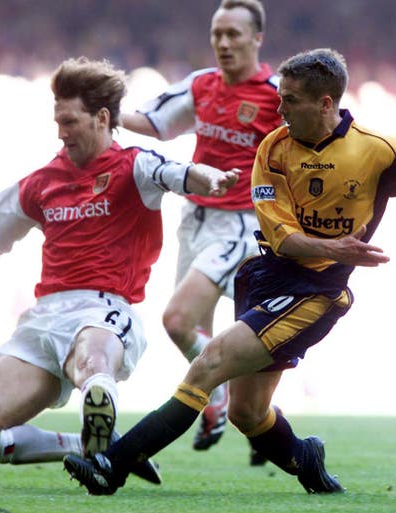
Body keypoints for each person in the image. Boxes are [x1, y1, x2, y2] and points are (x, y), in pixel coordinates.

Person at [62, 47, 396, 495]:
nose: (279, 107)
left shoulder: (378, 152)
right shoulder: (273, 149)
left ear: (325, 104)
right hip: (268, 275)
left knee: (210, 364)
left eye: (290, 99)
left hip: (317, 291)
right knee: (248, 411)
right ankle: (305, 459)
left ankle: (112, 466)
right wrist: (336, 245)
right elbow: (281, 237)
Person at [0, 57, 238, 485]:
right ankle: (82, 441)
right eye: (57, 122)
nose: (61, 133)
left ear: (102, 118)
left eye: (70, 122)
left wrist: (211, 181)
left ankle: (98, 404)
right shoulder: (41, 182)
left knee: (94, 366)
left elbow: (180, 174)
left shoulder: (134, 166)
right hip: (43, 320)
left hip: (104, 311)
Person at [119, 0, 282, 459]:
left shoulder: (275, 94)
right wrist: (102, 112)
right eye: (217, 35)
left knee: (177, 319)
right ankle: (258, 418)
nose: (224, 44)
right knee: (211, 334)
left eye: (233, 34)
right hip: (196, 220)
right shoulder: (201, 85)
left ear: (256, 39)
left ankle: (223, 399)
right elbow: (153, 123)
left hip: (243, 224)